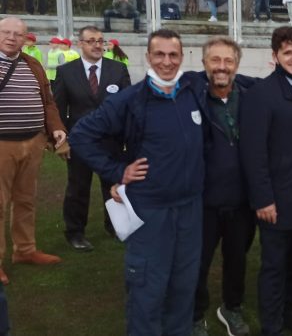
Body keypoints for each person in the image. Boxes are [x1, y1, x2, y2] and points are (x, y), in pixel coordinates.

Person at [70, 29, 206, 336]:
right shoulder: (131, 99)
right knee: (148, 289)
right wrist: (117, 172)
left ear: (182, 57)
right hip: (150, 212)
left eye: (173, 55)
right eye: (159, 54)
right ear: (148, 57)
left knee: (184, 288)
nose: (167, 62)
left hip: (190, 210)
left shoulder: (192, 90)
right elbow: (80, 135)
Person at [240, 27, 292, 336]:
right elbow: (253, 152)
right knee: (273, 267)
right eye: (288, 52)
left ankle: (288, 313)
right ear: (275, 57)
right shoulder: (262, 94)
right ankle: (271, 326)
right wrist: (263, 199)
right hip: (275, 199)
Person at [188, 37, 257, 336]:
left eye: (228, 61)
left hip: (242, 199)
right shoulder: (191, 96)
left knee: (237, 259)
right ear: (204, 63)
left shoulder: (252, 95)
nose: (222, 67)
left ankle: (232, 308)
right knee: (198, 262)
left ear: (237, 65)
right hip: (203, 200)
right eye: (215, 60)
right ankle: (194, 315)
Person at [0, 17, 66, 285]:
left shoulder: (32, 64)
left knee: (26, 200)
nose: (11, 37)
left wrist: (57, 128)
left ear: (26, 39)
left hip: (33, 142)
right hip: (2, 144)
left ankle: (25, 251)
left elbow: (48, 102)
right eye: (6, 32)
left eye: (18, 34)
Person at [53, 26, 131, 251]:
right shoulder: (66, 72)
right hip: (80, 143)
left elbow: (128, 106)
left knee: (114, 186)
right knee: (78, 188)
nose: (97, 45)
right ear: (81, 44)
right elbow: (58, 110)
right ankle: (75, 232)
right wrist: (62, 141)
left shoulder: (118, 69)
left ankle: (116, 226)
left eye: (100, 41)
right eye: (91, 41)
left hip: (111, 142)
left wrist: (128, 139)